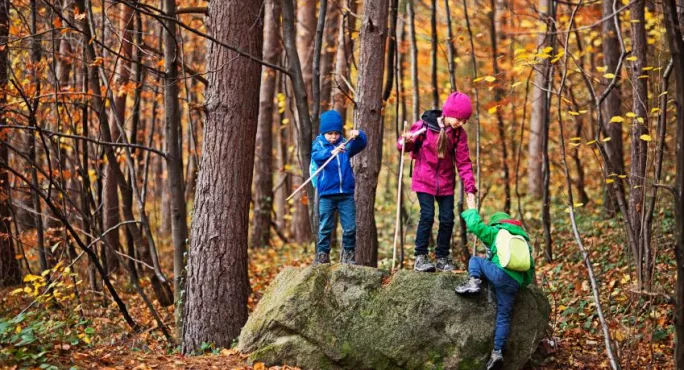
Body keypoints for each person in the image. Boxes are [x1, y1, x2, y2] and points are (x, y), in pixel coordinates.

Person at [397, 92, 477, 272]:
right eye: (459, 118)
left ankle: (442, 257)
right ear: (449, 112)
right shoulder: (424, 126)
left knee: (448, 219)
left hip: (446, 182)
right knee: (427, 215)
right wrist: (406, 141)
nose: (461, 123)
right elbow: (403, 146)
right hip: (424, 179)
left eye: (464, 121)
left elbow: (463, 162)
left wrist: (469, 187)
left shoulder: (458, 135)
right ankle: (420, 256)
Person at [455, 196, 535, 370]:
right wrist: (521, 284)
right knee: (504, 317)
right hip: (514, 283)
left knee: (475, 260)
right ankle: (497, 352)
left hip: (499, 274)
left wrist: (470, 209)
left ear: (496, 223)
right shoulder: (523, 240)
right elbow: (530, 268)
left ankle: (474, 281)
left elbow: (476, 227)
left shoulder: (497, 232)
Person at [311, 110, 367, 265]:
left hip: (345, 194)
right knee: (325, 227)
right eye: (330, 134)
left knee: (349, 228)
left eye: (336, 133)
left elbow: (361, 144)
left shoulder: (345, 145)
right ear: (324, 133)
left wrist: (359, 134)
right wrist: (331, 152)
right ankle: (322, 254)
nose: (334, 136)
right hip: (327, 194)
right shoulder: (319, 144)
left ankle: (348, 255)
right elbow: (317, 156)